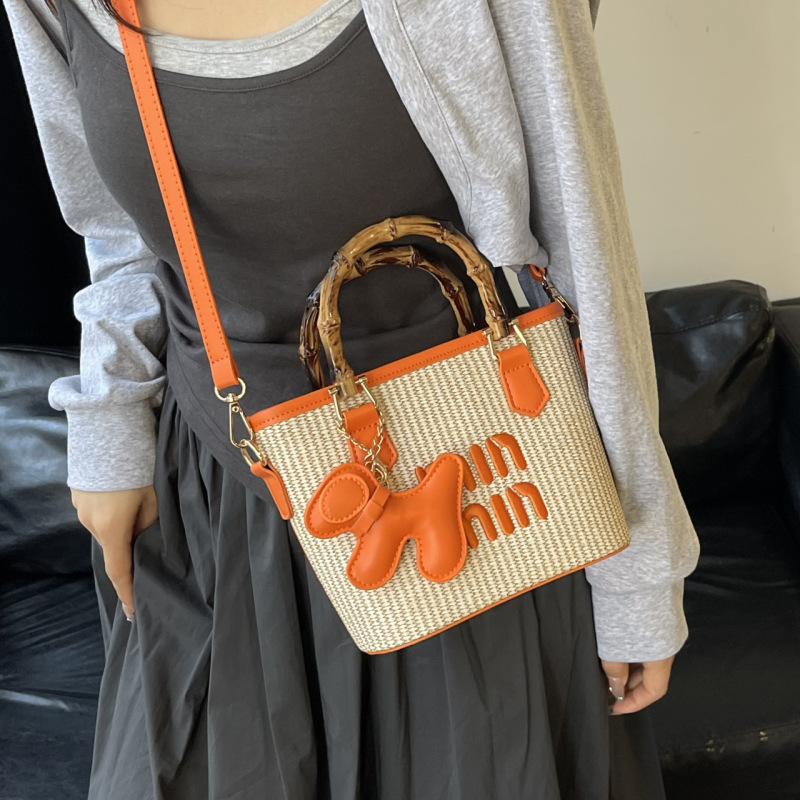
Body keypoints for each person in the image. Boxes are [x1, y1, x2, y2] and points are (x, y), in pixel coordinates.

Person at [4, 0, 701, 797]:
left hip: (480, 501)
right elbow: (119, 224)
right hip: (220, 507)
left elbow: (585, 252)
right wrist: (110, 425)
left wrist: (638, 579)